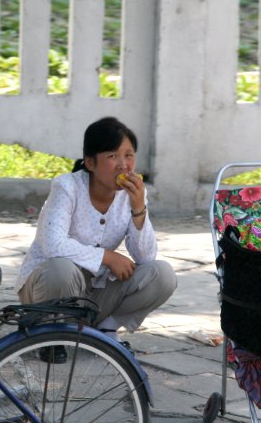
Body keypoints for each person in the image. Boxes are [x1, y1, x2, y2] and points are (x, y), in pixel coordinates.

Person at [15, 116, 176, 360]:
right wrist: (106, 257)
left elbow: (145, 257)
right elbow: (53, 245)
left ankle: (106, 329)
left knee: (162, 274)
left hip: (92, 294)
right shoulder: (66, 187)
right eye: (112, 156)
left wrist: (138, 208)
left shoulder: (132, 196)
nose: (124, 165)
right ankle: (49, 328)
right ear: (90, 162)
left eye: (129, 155)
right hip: (47, 288)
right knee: (62, 268)